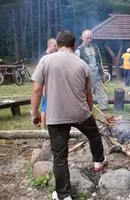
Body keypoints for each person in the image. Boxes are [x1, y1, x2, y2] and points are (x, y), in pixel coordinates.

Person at [31, 30, 107, 200]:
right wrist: (90, 113)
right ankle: (98, 161)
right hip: (80, 113)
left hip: (56, 115)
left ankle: (64, 195)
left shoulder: (45, 60)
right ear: (74, 45)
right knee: (94, 135)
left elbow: (36, 89)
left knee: (59, 158)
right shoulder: (82, 64)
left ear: (57, 45)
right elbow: (89, 95)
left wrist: (34, 113)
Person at [75, 29, 109, 112]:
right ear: (82, 38)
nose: (89, 40)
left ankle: (105, 110)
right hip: (86, 78)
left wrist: (103, 73)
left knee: (102, 95)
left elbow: (99, 61)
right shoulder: (79, 51)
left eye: (91, 38)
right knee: (86, 96)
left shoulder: (95, 47)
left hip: (97, 76)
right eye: (87, 38)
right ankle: (86, 112)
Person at [38, 38, 58, 131]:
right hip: (46, 87)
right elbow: (41, 77)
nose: (56, 47)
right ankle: (43, 129)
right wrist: (43, 89)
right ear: (49, 45)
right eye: (55, 45)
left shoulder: (54, 56)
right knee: (45, 109)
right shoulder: (44, 58)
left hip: (53, 86)